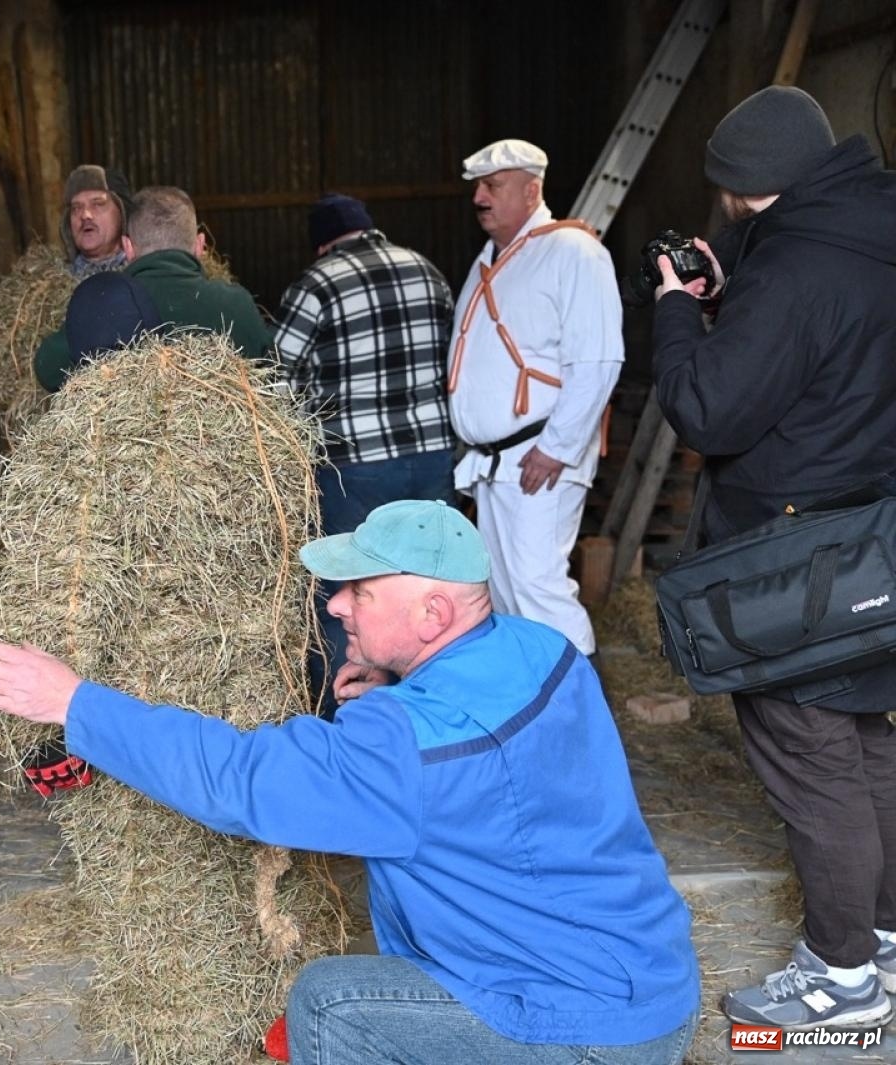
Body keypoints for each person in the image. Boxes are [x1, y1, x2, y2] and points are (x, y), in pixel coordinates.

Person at [0, 499, 699, 1064]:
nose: (337, 603)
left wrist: (74, 702)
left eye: (360, 591)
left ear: (433, 612)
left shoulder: (402, 747)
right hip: (648, 978)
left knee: (330, 1000)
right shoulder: (544, 649)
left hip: (583, 1027)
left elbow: (243, 779)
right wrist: (401, 676)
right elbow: (478, 753)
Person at [653, 85, 896, 1031]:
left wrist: (678, 311)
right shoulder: (866, 238)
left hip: (796, 559)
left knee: (811, 755)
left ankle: (842, 980)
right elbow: (818, 363)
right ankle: (881, 939)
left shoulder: (795, 270)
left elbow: (711, 408)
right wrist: (736, 292)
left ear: (748, 189)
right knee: (871, 741)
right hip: (876, 538)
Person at [274, 193, 457, 713]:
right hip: (431, 457)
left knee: (345, 598)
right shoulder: (427, 271)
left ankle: (346, 720)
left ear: (323, 243)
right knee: (429, 589)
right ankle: (432, 711)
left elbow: (279, 382)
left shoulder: (317, 284)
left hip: (353, 467)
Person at [446, 139, 621, 662]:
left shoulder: (573, 252)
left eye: (493, 186)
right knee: (503, 593)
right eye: (478, 187)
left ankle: (580, 710)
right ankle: (533, 715)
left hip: (538, 457)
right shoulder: (490, 260)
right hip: (496, 464)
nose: (480, 197)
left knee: (537, 587)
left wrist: (558, 447)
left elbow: (598, 360)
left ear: (532, 190)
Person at [36, 186, 272, 391]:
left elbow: (47, 370)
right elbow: (269, 375)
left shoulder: (102, 305)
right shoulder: (237, 304)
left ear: (127, 247)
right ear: (200, 245)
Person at [61, 164, 134, 279]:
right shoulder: (52, 281)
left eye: (98, 204)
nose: (85, 215)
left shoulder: (143, 276)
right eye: (76, 208)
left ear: (122, 213)